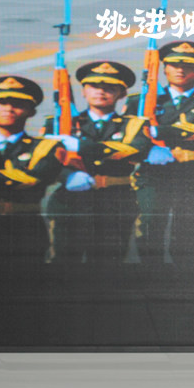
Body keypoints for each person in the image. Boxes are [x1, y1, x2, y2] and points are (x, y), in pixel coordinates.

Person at [125, 41, 194, 264]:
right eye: (174, 65)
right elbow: (129, 137)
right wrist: (147, 151)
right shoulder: (140, 102)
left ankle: (186, 280)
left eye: (189, 66)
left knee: (189, 236)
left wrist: (158, 131)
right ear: (164, 69)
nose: (180, 70)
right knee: (150, 230)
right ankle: (152, 278)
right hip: (153, 175)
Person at [43, 61, 151, 264]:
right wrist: (67, 176)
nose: (101, 91)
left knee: (108, 266)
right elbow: (44, 162)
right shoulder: (59, 124)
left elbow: (136, 151)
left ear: (122, 94)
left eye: (110, 88)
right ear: (83, 91)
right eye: (93, 86)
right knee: (64, 265)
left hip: (115, 204)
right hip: (70, 203)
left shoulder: (133, 125)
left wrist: (79, 146)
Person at [0, 76, 65, 264]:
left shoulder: (45, 147)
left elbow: (35, 178)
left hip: (24, 230)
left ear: (31, 112)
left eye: (18, 104)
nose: (9, 109)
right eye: (1, 103)